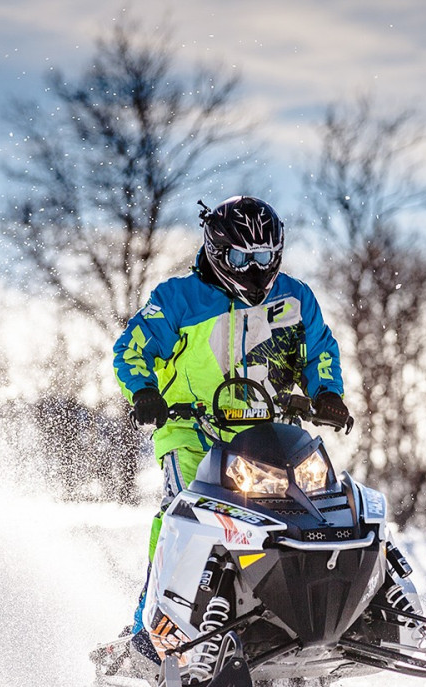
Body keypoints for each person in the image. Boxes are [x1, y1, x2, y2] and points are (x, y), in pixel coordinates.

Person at [111, 195, 350, 648]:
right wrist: (143, 392)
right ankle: (152, 624)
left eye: (264, 257)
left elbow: (320, 350)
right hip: (193, 431)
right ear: (218, 252)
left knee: (321, 509)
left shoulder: (296, 299)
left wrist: (327, 395)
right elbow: (131, 348)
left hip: (270, 434)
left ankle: (330, 609)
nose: (254, 269)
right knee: (182, 514)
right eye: (242, 257)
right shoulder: (178, 299)